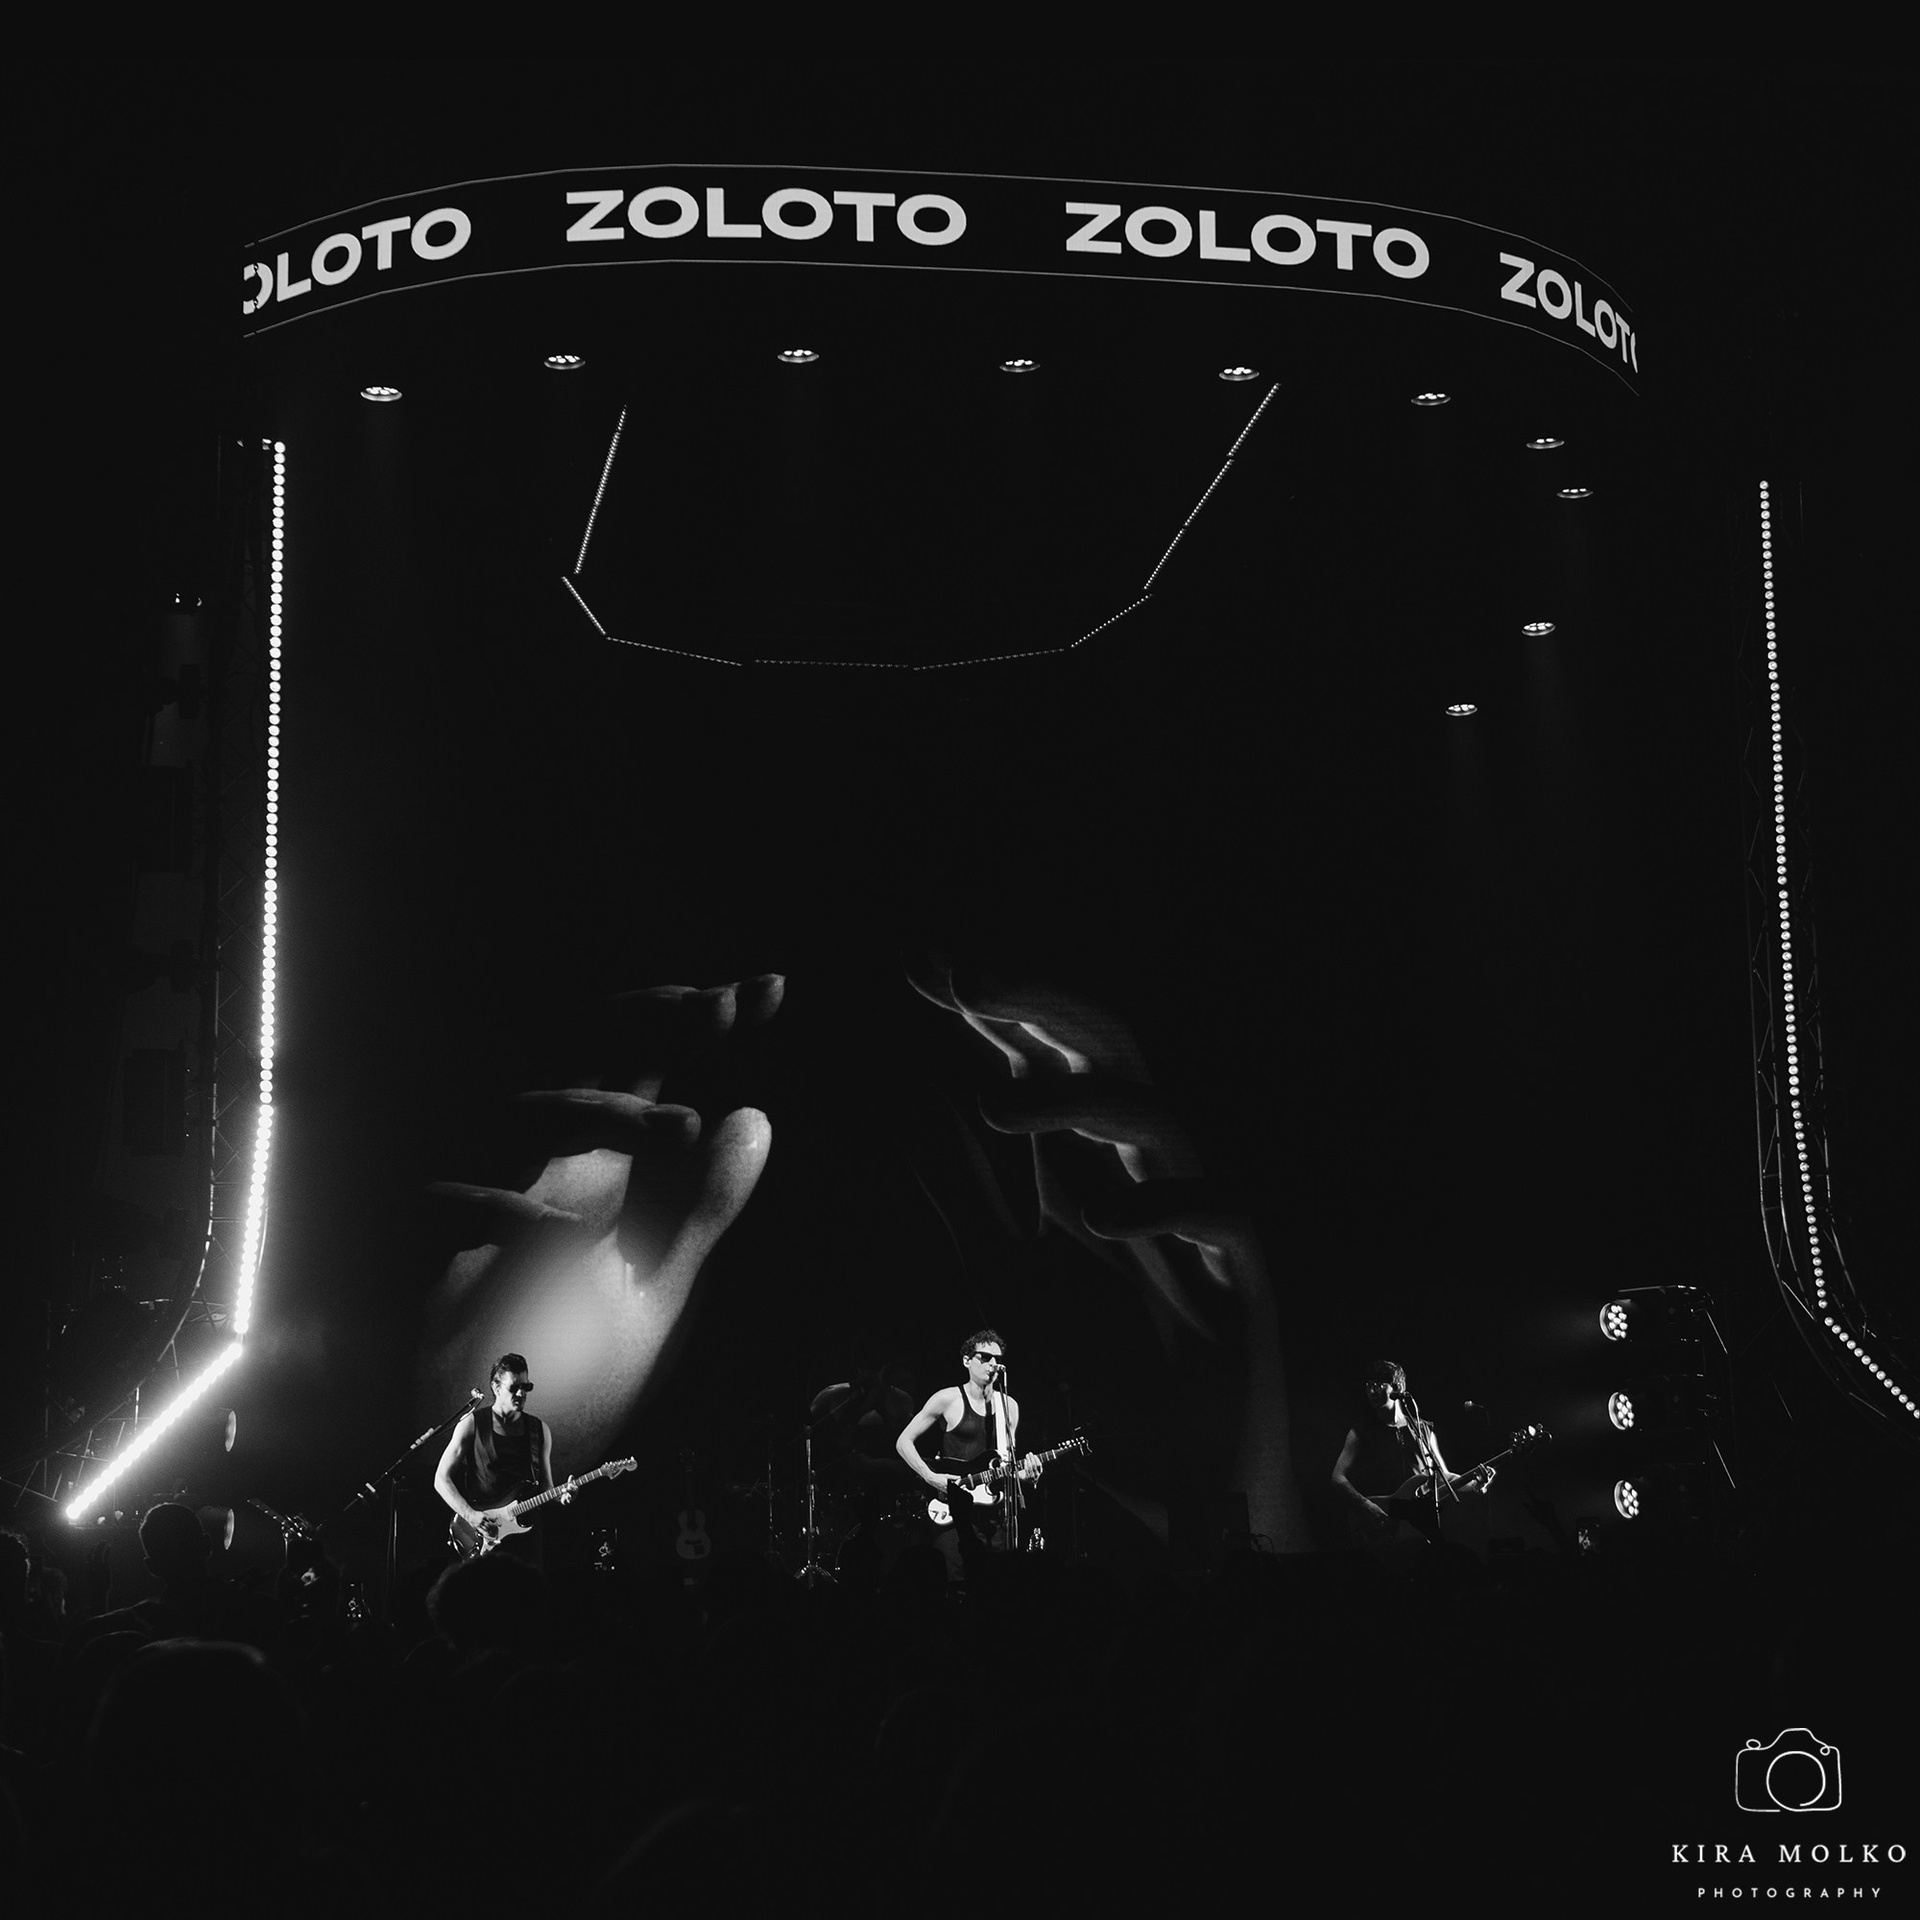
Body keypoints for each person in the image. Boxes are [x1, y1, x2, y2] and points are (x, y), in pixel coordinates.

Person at [895, 1330, 1042, 1583]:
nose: (992, 1364)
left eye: (997, 1359)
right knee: (957, 1583)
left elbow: (1006, 1466)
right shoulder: (947, 1399)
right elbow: (903, 1442)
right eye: (984, 1357)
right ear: (967, 1361)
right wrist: (930, 1477)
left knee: (996, 1585)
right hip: (953, 1511)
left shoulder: (1009, 1406)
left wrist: (1026, 1475)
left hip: (995, 1514)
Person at [1330, 1359, 1493, 1548]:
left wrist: (1475, 1483)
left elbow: (1442, 1477)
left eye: (1378, 1385)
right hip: (1381, 1523)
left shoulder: (1423, 1429)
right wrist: (1366, 1506)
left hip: (1417, 1525)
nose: (1371, 1391)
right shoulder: (1361, 1432)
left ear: (1397, 1387)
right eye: (1368, 1385)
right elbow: (1337, 1477)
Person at [434, 1353, 566, 1563]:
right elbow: (441, 1479)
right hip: (487, 1535)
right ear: (496, 1387)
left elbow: (546, 1489)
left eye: (526, 1387)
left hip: (527, 1539)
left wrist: (562, 1497)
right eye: (514, 1387)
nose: (521, 1393)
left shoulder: (540, 1430)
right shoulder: (472, 1424)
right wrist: (471, 1516)